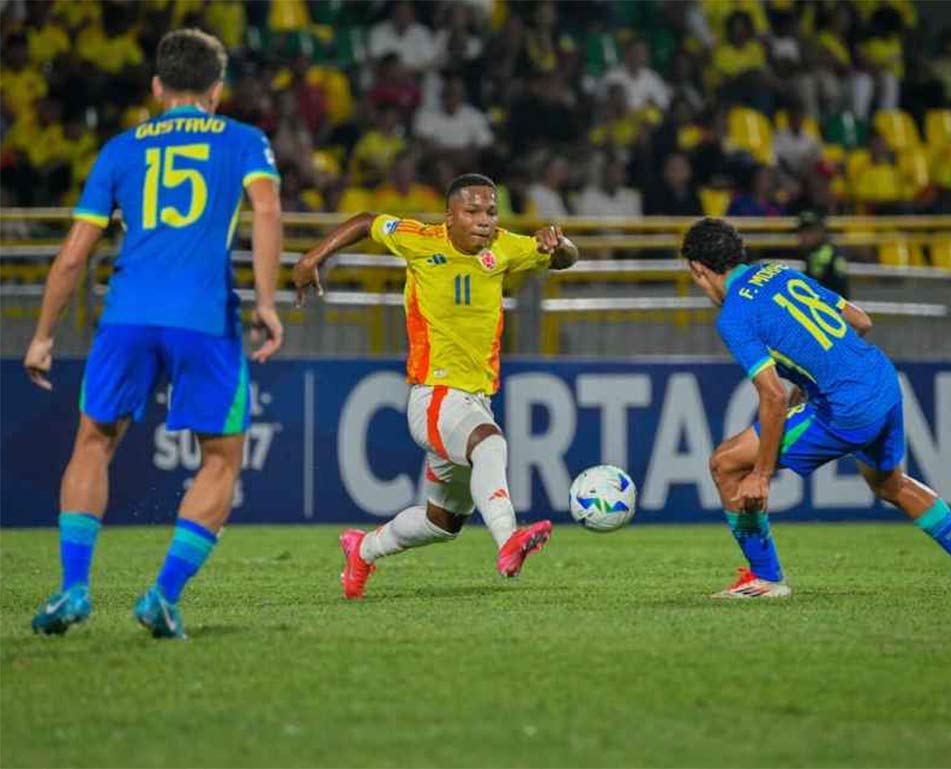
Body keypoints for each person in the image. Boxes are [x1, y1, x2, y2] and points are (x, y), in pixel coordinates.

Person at [25, 29, 284, 638]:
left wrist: (43, 335)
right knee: (221, 458)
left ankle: (72, 589)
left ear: (156, 86)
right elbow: (268, 211)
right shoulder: (243, 140)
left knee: (93, 441)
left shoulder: (121, 149)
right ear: (217, 89)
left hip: (127, 316)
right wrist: (267, 303)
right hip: (204, 317)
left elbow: (74, 254)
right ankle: (163, 596)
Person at [680, 218, 951, 599]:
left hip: (846, 407)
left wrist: (762, 473)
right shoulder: (778, 272)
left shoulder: (734, 316)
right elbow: (860, 321)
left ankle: (765, 578)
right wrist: (818, 377)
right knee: (892, 485)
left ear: (698, 269)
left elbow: (772, 396)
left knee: (725, 464)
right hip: (882, 381)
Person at [292, 174, 578, 599]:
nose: (484, 220)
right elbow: (367, 221)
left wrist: (560, 243)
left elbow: (565, 259)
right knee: (489, 444)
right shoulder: (419, 240)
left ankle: (362, 550)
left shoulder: (504, 246)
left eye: (491, 211)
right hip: (435, 395)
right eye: (472, 211)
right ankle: (508, 540)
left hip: (474, 401)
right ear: (450, 216)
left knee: (442, 522)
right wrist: (312, 257)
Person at [796, 210, 849, 298]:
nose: (804, 236)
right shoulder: (811, 252)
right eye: (802, 231)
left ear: (821, 231)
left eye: (809, 231)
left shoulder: (827, 254)